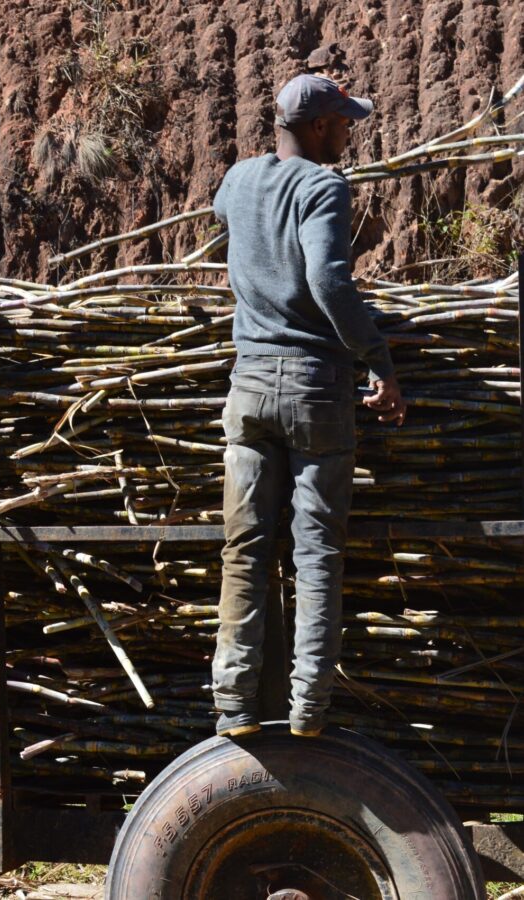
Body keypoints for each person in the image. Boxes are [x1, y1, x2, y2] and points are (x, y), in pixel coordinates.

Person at [209, 74, 406, 739]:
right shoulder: (324, 186)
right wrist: (378, 357)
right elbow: (327, 278)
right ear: (320, 127)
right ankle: (307, 711)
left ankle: (234, 707)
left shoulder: (238, 180)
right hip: (314, 389)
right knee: (315, 553)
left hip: (249, 389)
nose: (350, 133)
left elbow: (223, 217)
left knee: (245, 552)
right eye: (345, 123)